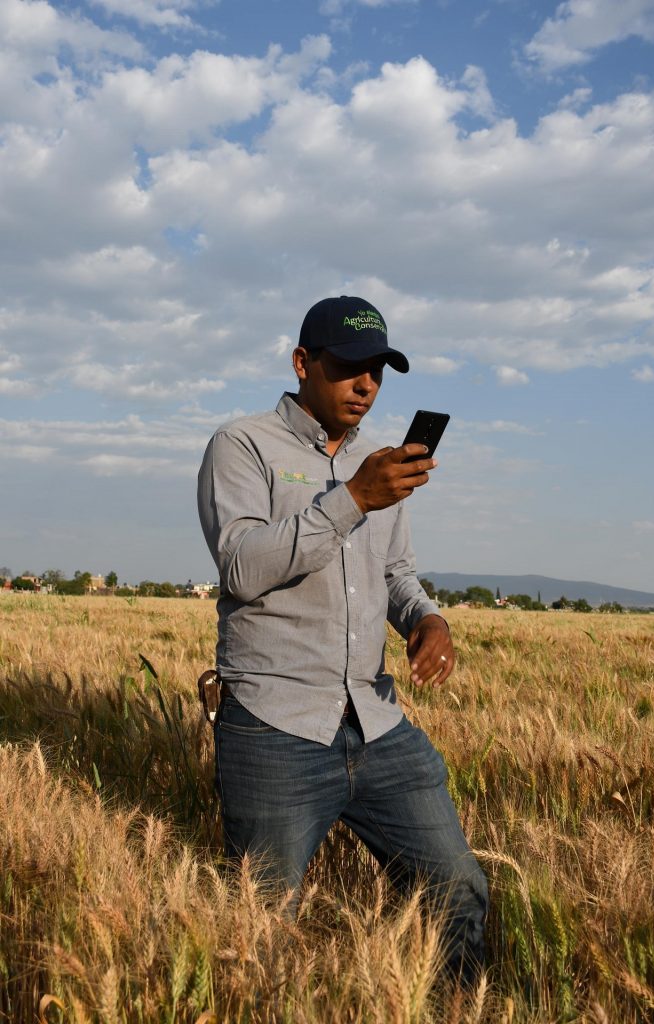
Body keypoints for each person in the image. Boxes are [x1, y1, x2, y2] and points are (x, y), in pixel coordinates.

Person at [197, 295, 488, 983]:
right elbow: (240, 566)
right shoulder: (241, 446)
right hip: (274, 727)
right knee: (260, 931)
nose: (366, 385)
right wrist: (352, 497)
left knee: (459, 890)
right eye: (349, 367)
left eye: (378, 372)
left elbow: (393, 573)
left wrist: (426, 619)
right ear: (303, 363)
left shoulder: (377, 464)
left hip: (376, 720)